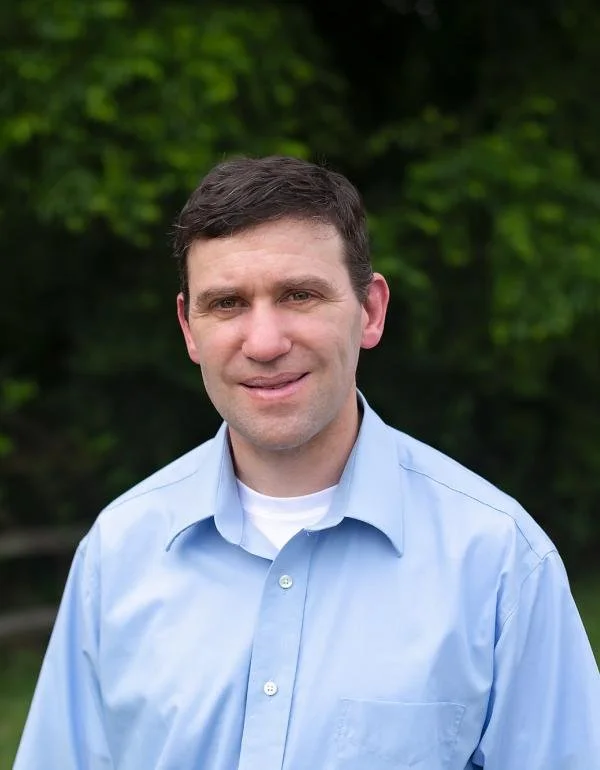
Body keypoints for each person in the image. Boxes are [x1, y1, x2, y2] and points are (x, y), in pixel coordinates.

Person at [14, 156, 599, 770]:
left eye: (299, 295)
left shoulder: (498, 560)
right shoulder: (119, 551)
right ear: (189, 327)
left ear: (369, 311)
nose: (264, 343)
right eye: (228, 303)